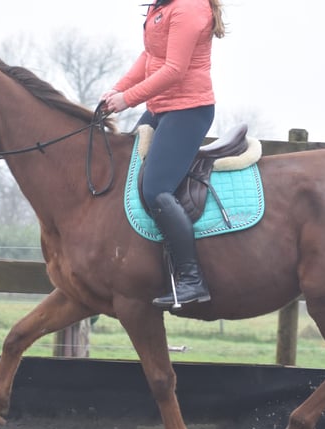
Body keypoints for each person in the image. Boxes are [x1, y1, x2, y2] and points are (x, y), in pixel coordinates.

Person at [102, 0, 226, 309]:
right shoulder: (162, 7)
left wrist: (127, 99)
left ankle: (191, 279)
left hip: (188, 111)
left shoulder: (187, 9)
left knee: (156, 188)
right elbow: (150, 56)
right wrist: (116, 90)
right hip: (161, 108)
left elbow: (174, 69)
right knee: (127, 171)